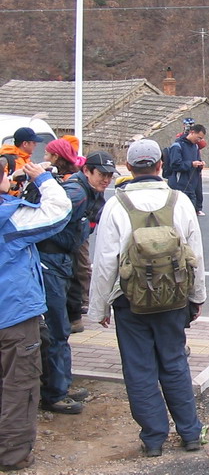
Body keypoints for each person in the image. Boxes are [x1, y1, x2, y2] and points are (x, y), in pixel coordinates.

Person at [87, 139, 206, 457]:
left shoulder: (116, 205)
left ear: (128, 167)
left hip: (130, 302)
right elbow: (195, 255)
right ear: (160, 165)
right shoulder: (180, 201)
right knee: (174, 363)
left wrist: (99, 307)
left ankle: (153, 439)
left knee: (139, 369)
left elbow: (105, 262)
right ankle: (190, 433)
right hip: (174, 299)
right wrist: (196, 297)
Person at [0, 159, 70, 471]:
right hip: (12, 315)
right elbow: (59, 212)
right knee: (19, 384)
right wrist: (43, 179)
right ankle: (13, 455)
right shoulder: (9, 219)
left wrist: (14, 184)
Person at [36, 150, 117, 415]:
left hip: (62, 262)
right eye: (102, 174)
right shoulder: (75, 193)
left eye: (110, 175)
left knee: (62, 329)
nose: (106, 180)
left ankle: (62, 384)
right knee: (56, 329)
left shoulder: (90, 193)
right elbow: (45, 222)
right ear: (87, 171)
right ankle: (55, 394)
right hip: (51, 263)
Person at [167, 123, 206, 214]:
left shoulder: (195, 147)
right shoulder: (177, 146)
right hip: (179, 187)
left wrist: (200, 164)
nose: (199, 140)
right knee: (178, 215)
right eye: (198, 137)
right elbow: (175, 165)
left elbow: (197, 161)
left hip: (192, 188)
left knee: (191, 216)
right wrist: (191, 164)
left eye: (201, 139)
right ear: (192, 132)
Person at [0, 126, 43, 197]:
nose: (36, 144)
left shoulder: (28, 160)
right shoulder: (5, 160)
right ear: (25, 144)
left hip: (22, 200)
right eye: (33, 142)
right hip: (8, 201)